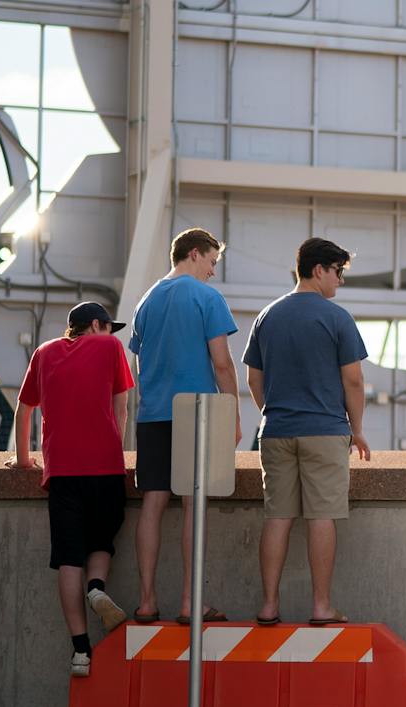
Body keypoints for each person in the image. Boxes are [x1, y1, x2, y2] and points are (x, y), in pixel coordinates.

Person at [244, 237, 371, 625]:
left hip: (277, 430)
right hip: (325, 431)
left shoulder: (267, 315)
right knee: (322, 516)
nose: (340, 282)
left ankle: (269, 605)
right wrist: (357, 429)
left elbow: (253, 379)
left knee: (278, 516)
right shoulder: (336, 318)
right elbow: (353, 381)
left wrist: (272, 412)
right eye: (338, 272)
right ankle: (321, 607)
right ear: (319, 270)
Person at [9, 301, 134, 678]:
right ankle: (97, 588)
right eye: (109, 326)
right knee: (102, 541)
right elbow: (121, 408)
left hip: (62, 471)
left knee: (68, 558)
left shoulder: (44, 353)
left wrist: (23, 460)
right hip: (104, 466)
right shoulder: (110, 346)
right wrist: (117, 447)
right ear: (96, 325)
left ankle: (80, 651)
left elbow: (24, 409)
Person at [125, 227, 239, 625]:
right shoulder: (207, 297)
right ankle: (191, 602)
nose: (212, 271)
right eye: (211, 261)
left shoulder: (146, 301)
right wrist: (234, 413)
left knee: (152, 505)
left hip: (153, 412)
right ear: (194, 253)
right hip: (197, 411)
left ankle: (146, 600)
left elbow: (139, 362)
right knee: (193, 507)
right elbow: (222, 363)